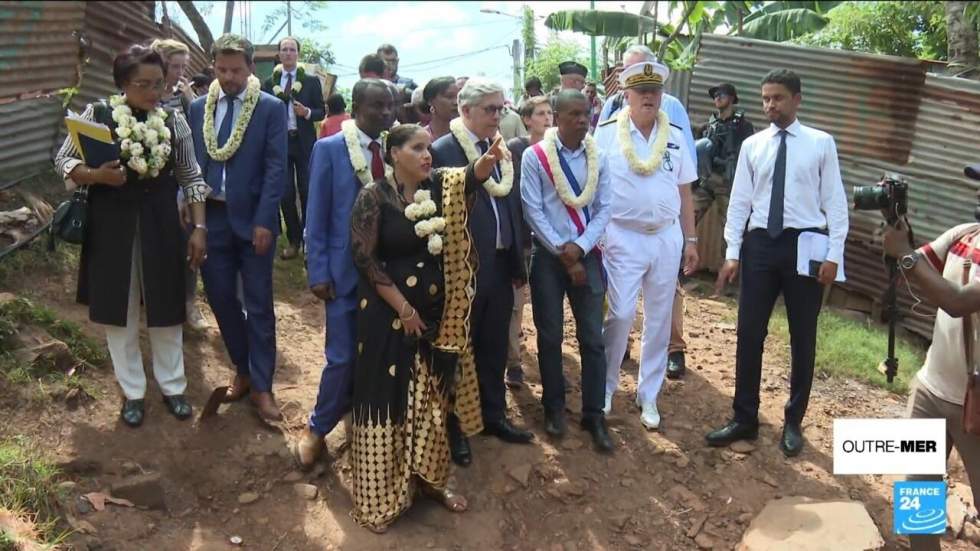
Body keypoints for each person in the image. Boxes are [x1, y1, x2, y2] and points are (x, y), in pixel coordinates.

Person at [347, 124, 505, 532]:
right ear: (394, 153)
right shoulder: (374, 197)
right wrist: (402, 309)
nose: (426, 154)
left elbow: (464, 178)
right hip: (388, 320)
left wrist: (484, 165)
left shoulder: (435, 189)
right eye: (416, 148)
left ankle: (433, 480)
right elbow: (365, 261)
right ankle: (383, 494)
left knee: (434, 401)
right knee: (391, 401)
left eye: (428, 147)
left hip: (437, 321)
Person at [54, 44, 209, 427]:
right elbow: (63, 159)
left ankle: (173, 386)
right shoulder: (99, 113)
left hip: (160, 220)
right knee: (118, 308)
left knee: (166, 302)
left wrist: (200, 228)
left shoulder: (174, 121)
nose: (154, 92)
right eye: (144, 84)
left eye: (159, 83)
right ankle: (132, 392)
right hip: (112, 222)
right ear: (123, 83)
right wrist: (95, 176)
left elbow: (191, 177)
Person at [706, 69, 848, 457]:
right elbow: (739, 201)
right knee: (749, 332)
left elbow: (835, 202)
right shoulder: (753, 145)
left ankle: (793, 421)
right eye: (766, 98)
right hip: (760, 247)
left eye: (778, 98)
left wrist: (834, 255)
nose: (771, 105)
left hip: (805, 245)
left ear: (797, 99)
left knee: (803, 336)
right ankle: (744, 418)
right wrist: (733, 252)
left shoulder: (821, 143)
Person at [432, 78, 533, 466]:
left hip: (498, 264)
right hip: (463, 270)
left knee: (493, 347)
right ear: (465, 111)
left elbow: (508, 207)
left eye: (501, 108)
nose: (497, 116)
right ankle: (456, 428)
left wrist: (515, 262)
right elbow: (444, 210)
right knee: (460, 351)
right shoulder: (444, 150)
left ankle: (494, 417)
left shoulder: (500, 148)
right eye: (490, 109)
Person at [187, 34, 287, 422]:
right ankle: (243, 370)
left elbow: (277, 167)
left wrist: (265, 219)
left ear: (251, 68)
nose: (229, 77)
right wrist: (191, 212)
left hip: (254, 220)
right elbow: (193, 164)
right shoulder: (198, 108)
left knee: (259, 304)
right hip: (211, 219)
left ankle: (262, 387)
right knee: (221, 296)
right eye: (222, 69)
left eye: (237, 70)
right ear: (213, 66)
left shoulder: (269, 108)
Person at [296, 79, 396, 469]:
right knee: (340, 356)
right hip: (342, 273)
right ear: (356, 106)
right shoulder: (329, 149)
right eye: (376, 106)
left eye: (390, 106)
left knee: (377, 353)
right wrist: (318, 269)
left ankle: (363, 421)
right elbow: (316, 214)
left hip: (386, 275)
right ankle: (317, 428)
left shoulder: (394, 149)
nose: (385, 114)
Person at [595, 60, 699, 430]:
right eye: (642, 92)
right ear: (627, 96)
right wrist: (599, 234)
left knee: (659, 318)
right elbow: (595, 188)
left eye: (655, 92)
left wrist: (691, 238)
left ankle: (648, 394)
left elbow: (685, 189)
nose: (649, 98)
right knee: (620, 314)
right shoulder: (607, 133)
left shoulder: (673, 135)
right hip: (622, 235)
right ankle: (606, 387)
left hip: (666, 236)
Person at [882, 164, 980, 551]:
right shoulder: (964, 235)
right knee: (920, 494)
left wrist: (905, 255)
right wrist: (897, 223)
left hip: (974, 404)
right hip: (931, 389)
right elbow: (915, 271)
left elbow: (956, 302)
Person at [522, 90, 613, 451]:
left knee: (592, 338)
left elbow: (605, 209)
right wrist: (564, 253)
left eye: (586, 113)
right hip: (548, 257)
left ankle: (594, 414)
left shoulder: (599, 156)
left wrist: (579, 249)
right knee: (550, 336)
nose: (581, 120)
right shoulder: (535, 157)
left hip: (585, 252)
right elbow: (532, 210)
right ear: (555, 116)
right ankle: (554, 408)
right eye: (573, 114)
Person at [151, 38, 210, 331]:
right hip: (148, 180)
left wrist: (190, 99)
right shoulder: (144, 93)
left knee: (188, 239)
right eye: (174, 66)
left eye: (183, 67)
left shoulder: (183, 96)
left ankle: (189, 301)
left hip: (179, 179)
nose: (178, 73)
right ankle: (158, 299)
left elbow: (197, 139)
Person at [261, 37, 324, 261]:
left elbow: (321, 112)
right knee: (285, 193)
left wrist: (307, 112)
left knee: (307, 191)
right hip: (281, 143)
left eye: (292, 49)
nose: (288, 53)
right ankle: (294, 240)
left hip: (304, 142)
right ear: (279, 54)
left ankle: (310, 239)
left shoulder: (311, 81)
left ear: (298, 54)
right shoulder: (269, 83)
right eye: (284, 50)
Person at [505, 95, 553, 388]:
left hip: (552, 240)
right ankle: (513, 363)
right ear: (526, 119)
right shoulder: (517, 149)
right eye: (540, 113)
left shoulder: (560, 149)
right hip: (523, 238)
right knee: (515, 305)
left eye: (550, 113)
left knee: (546, 304)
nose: (548, 118)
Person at [694, 83, 755, 225]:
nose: (717, 97)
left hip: (728, 184)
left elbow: (749, 156)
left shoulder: (744, 127)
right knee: (686, 217)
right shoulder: (707, 127)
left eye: (722, 94)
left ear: (732, 98)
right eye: (715, 95)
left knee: (733, 227)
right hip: (706, 180)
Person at [421, 76, 459, 141]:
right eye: (449, 97)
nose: (456, 102)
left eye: (459, 97)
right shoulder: (421, 138)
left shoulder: (473, 135)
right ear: (430, 101)